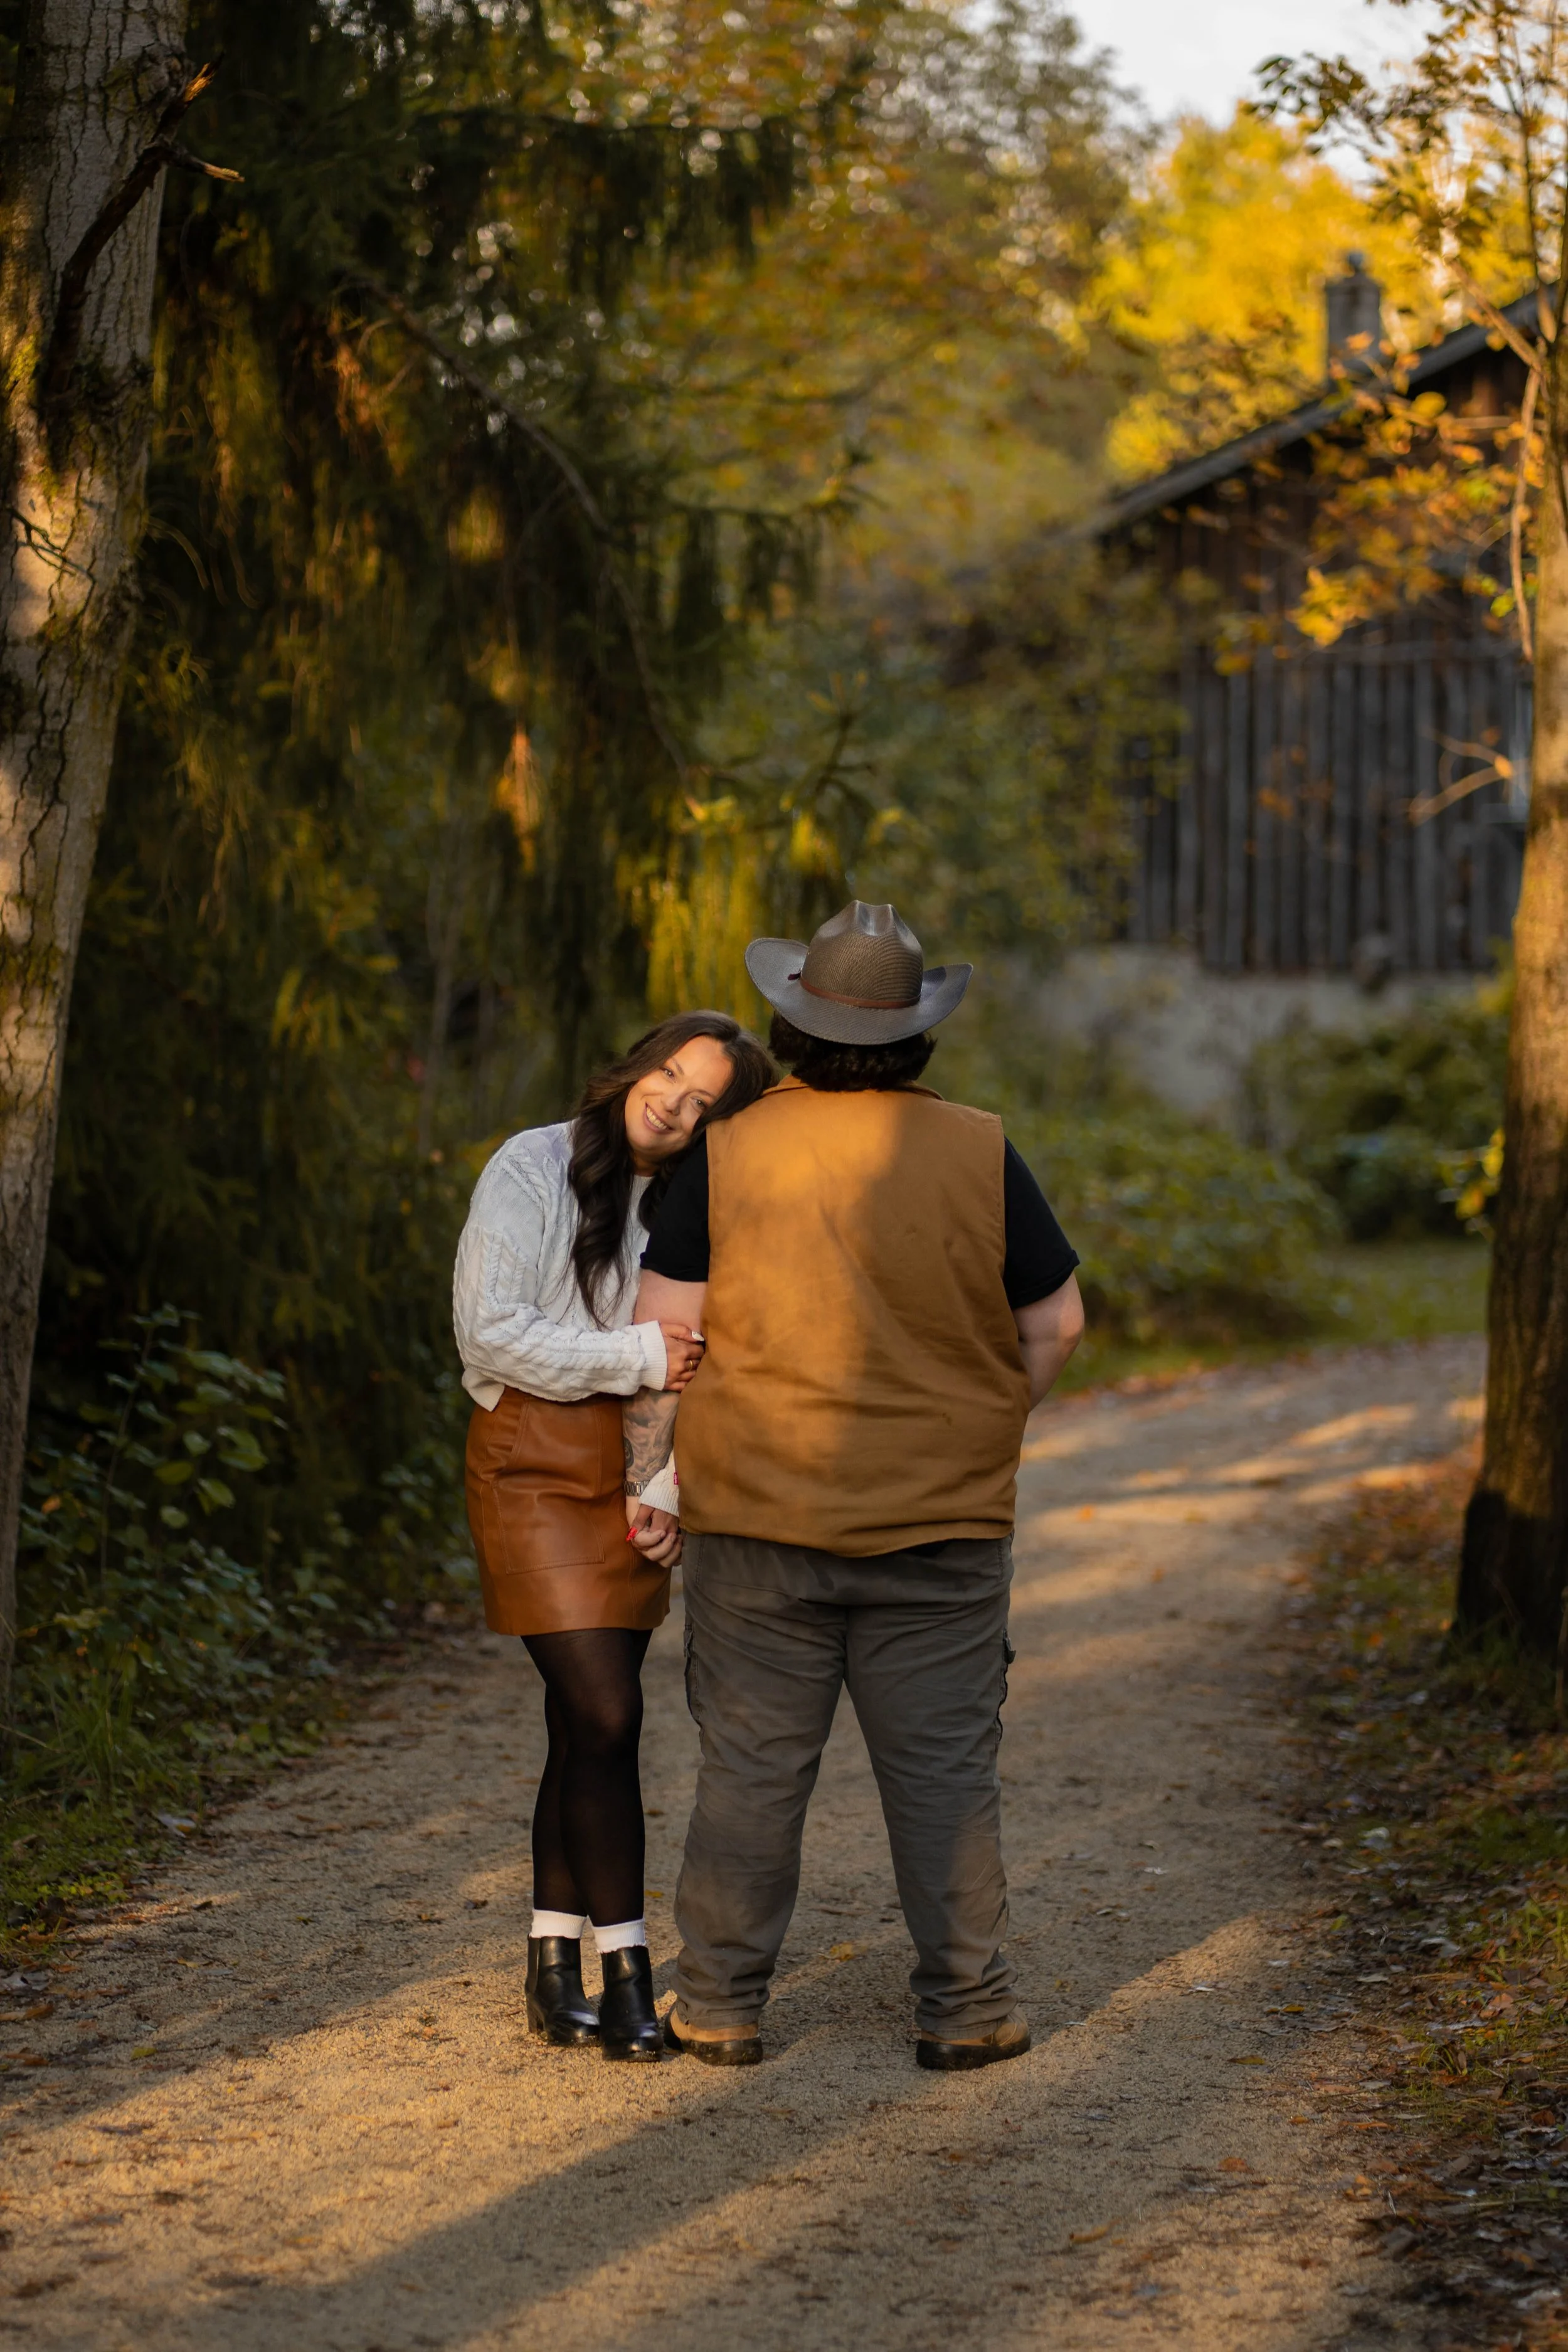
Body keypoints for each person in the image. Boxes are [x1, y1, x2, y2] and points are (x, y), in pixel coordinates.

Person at [622, 903, 1084, 2071]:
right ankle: (968, 2007)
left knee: (750, 1768)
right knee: (943, 1774)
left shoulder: (726, 1156)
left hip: (758, 1517)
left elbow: (663, 1334)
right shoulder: (981, 1147)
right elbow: (1058, 1319)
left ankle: (720, 2001)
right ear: (919, 1035)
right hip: (941, 1523)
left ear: (791, 1022)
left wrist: (655, 1480)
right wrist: (978, 1420)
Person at [453, 1011, 773, 2060]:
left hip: (633, 1470)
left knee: (579, 1724)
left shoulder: (694, 1204)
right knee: (608, 1708)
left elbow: (706, 1364)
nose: (671, 1103)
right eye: (668, 1074)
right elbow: (490, 1328)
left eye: (701, 1101)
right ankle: (629, 1971)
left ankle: (554, 1967)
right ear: (638, 1061)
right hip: (532, 1461)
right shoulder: (533, 1163)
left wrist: (669, 1484)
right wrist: (637, 1351)